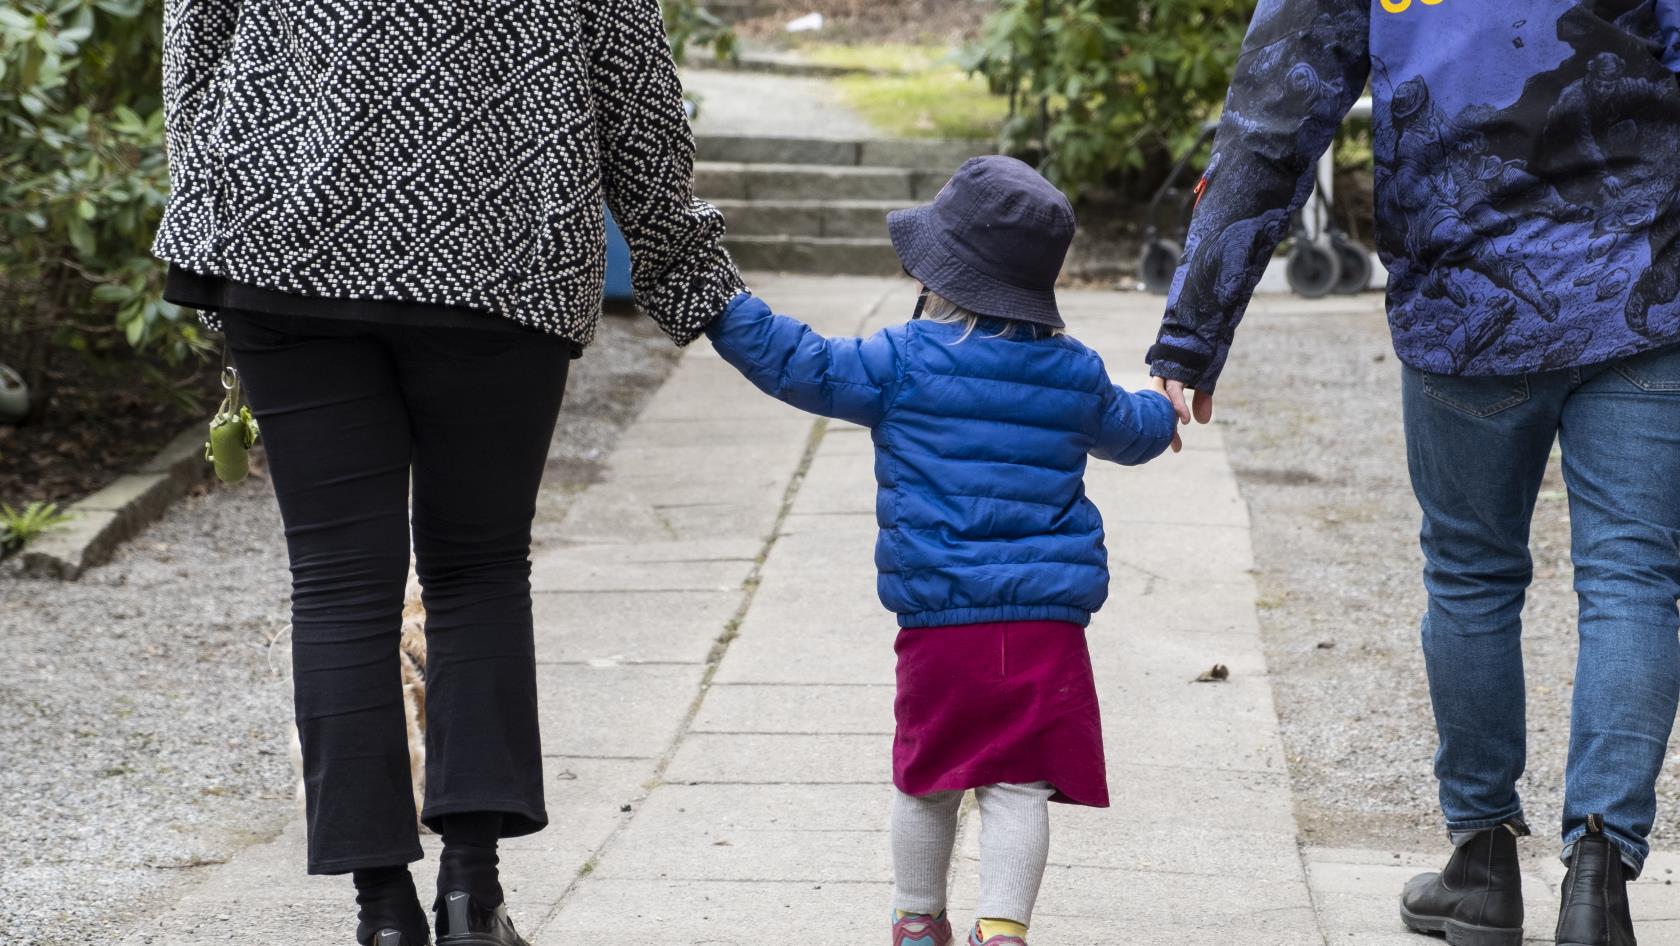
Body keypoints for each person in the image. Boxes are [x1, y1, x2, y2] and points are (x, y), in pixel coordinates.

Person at [152, 3, 744, 944]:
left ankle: (380, 913)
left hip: (285, 244)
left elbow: (198, 50)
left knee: (342, 585)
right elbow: (634, 90)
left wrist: (211, 219)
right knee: (479, 568)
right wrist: (691, 283)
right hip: (502, 250)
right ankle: (474, 894)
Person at [1148, 2, 1680, 944]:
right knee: (1634, 577)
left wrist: (1195, 334)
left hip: (1465, 302)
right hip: (1641, 292)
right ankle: (1599, 875)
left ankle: (1482, 862)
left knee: (1473, 575)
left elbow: (1273, 124)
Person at [706, 156, 1177, 946]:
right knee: (1019, 787)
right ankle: (1003, 931)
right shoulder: (1074, 372)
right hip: (1043, 628)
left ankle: (918, 921)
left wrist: (723, 307)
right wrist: (1165, 402)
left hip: (941, 622)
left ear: (941, 274)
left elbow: (800, 363)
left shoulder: (902, 361)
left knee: (929, 779)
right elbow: (1134, 433)